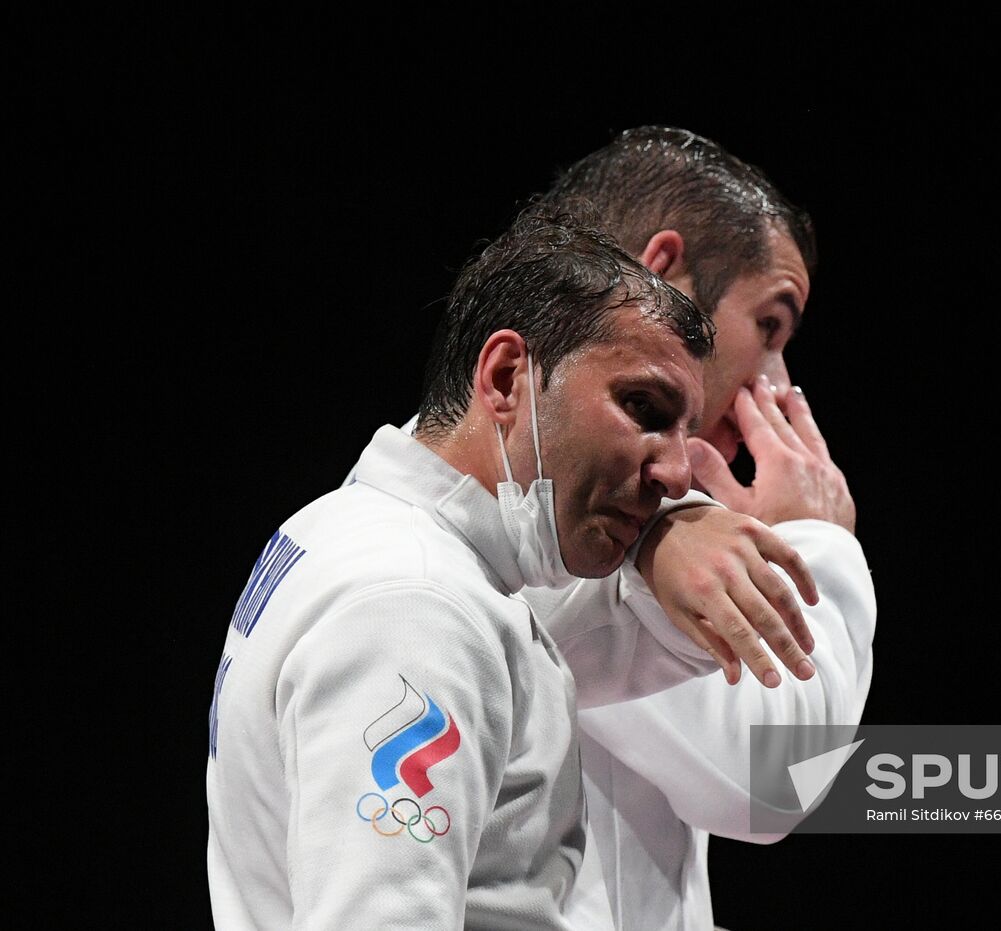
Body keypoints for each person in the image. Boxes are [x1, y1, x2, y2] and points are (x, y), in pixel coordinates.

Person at [206, 208, 814, 928]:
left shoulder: (357, 530)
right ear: (503, 377)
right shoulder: (417, 607)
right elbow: (783, 770)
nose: (678, 471)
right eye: (642, 407)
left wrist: (669, 538)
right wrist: (824, 544)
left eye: (683, 429)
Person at [525, 127, 878, 929]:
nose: (776, 383)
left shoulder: (617, 523)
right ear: (663, 278)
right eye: (770, 327)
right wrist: (822, 542)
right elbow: (775, 776)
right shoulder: (562, 527)